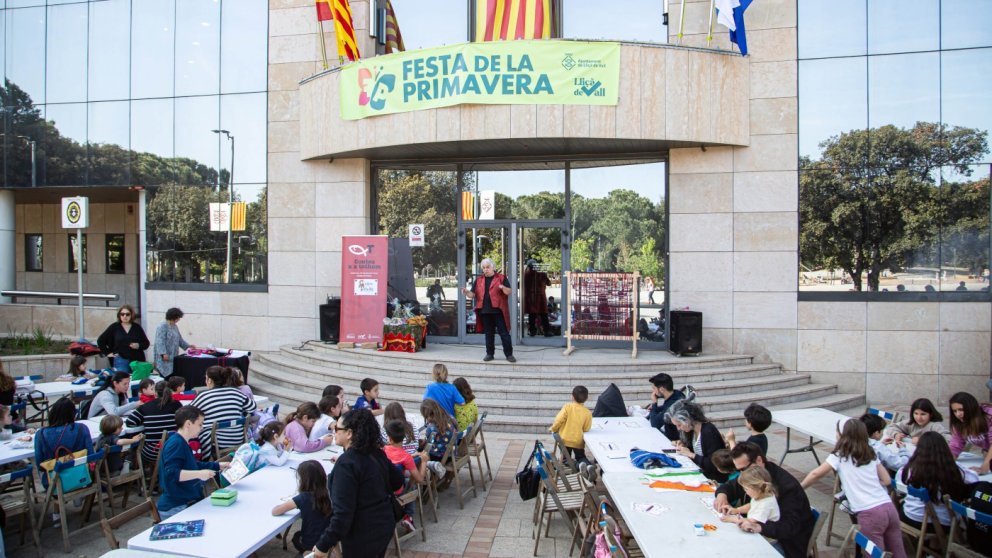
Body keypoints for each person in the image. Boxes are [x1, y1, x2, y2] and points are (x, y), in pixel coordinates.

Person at [800, 420, 907, 558]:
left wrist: (800, 487)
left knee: (874, 554)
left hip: (869, 513)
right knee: (899, 552)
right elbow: (886, 480)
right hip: (888, 507)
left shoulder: (839, 455)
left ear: (843, 435)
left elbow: (816, 474)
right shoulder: (870, 452)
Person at [312, 409, 404, 558]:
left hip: (363, 532)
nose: (335, 432)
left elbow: (343, 513)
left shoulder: (346, 464)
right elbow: (398, 481)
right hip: (384, 523)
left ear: (349, 433)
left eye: (337, 429)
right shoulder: (376, 453)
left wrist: (324, 544)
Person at [714, 442, 815, 558]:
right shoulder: (753, 475)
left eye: (743, 469)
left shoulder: (787, 487)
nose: (742, 474)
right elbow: (731, 486)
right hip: (764, 533)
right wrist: (722, 495)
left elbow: (790, 527)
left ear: (759, 460)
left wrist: (759, 527)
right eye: (738, 471)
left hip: (787, 544)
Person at [157, 405, 228, 520]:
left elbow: (193, 464)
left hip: (185, 501)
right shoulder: (176, 443)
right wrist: (200, 474)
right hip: (177, 506)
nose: (202, 428)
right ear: (188, 424)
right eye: (200, 424)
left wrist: (218, 465)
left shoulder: (182, 441)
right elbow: (172, 473)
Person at [897, 432, 977, 529]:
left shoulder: (909, 468)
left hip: (909, 515)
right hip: (940, 522)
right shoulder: (952, 469)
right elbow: (974, 480)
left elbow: (900, 487)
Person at [190, 366, 257, 460]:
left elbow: (188, 412)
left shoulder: (204, 396)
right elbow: (252, 407)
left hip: (217, 440)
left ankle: (202, 461)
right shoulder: (235, 392)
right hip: (238, 437)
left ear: (209, 380)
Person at [272, 460, 333, 553]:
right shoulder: (329, 492)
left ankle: (306, 553)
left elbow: (275, 511)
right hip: (329, 538)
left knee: (296, 537)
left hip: (311, 543)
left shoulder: (303, 498)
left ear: (304, 480)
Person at [34, 398, 94, 491]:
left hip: (54, 484)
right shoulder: (82, 428)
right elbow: (91, 456)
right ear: (73, 414)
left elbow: (39, 463)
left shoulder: (41, 434)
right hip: (82, 478)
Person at [464, 258, 515, 363]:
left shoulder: (501, 278)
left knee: (504, 333)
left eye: (488, 267)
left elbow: (509, 291)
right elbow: (472, 295)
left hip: (498, 310)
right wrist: (466, 292)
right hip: (485, 311)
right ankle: (490, 354)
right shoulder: (479, 280)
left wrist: (502, 287)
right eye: (484, 268)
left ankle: (509, 355)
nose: (485, 269)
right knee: (488, 334)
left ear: (493, 267)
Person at [384, 420, 429, 535]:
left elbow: (395, 457)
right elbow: (420, 479)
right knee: (412, 484)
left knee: (407, 480)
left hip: (383, 490)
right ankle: (408, 516)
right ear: (403, 438)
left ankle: (405, 516)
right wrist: (423, 462)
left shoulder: (383, 451)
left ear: (389, 439)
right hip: (397, 491)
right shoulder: (406, 458)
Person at [668, 400, 728, 482]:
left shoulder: (708, 432)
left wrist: (691, 454)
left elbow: (713, 464)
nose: (678, 428)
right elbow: (695, 449)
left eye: (679, 425)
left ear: (687, 420)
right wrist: (684, 446)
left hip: (715, 478)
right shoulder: (692, 430)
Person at [126, 380, 183, 464]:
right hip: (174, 450)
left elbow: (130, 422)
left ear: (155, 393)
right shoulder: (177, 405)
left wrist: (146, 422)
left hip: (152, 453)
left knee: (134, 447)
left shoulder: (146, 406)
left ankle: (139, 470)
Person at [97, 304, 150, 373]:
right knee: (122, 380)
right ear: (119, 315)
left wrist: (138, 345)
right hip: (120, 359)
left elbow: (146, 343)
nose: (125, 316)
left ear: (131, 315)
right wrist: (108, 353)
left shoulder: (137, 327)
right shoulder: (114, 327)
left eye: (127, 314)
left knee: (136, 381)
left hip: (136, 360)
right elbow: (101, 341)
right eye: (122, 314)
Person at [948, 391, 992, 473]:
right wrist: (944, 464)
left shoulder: (989, 416)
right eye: (955, 411)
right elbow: (955, 446)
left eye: (961, 409)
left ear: (970, 407)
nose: (958, 414)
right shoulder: (959, 424)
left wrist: (985, 467)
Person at [549, 386, 593, 464]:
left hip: (564, 440)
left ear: (572, 397)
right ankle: (586, 465)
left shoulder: (567, 407)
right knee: (581, 457)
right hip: (578, 441)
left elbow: (558, 420)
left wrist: (553, 428)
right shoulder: (587, 413)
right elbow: (586, 428)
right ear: (587, 398)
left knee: (565, 458)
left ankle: (573, 464)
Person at [420, 399, 457, 484]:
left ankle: (425, 484)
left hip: (440, 457)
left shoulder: (432, 427)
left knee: (418, 454)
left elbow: (429, 445)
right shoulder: (450, 417)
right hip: (451, 454)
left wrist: (423, 444)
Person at [883, 398, 948, 444]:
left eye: (923, 414)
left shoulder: (935, 426)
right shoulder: (911, 423)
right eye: (916, 413)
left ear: (930, 414)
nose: (919, 417)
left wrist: (923, 441)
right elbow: (891, 427)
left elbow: (949, 440)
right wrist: (896, 434)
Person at [153, 307, 194, 378]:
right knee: (165, 376)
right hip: (164, 357)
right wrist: (163, 353)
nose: (178, 319)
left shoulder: (174, 326)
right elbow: (159, 341)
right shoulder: (162, 326)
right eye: (178, 317)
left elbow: (179, 339)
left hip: (172, 356)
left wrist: (188, 346)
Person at [646, 372, 684, 441]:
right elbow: (663, 408)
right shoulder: (676, 394)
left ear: (662, 389)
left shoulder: (674, 405)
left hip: (673, 440)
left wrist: (654, 402)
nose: (653, 392)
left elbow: (655, 424)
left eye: (654, 389)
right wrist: (655, 408)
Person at [523, 260, 551, 337]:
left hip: (531, 298)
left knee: (532, 316)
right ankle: (547, 331)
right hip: (541, 298)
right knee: (544, 315)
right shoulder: (542, 274)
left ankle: (532, 331)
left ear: (528, 266)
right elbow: (549, 283)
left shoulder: (525, 275)